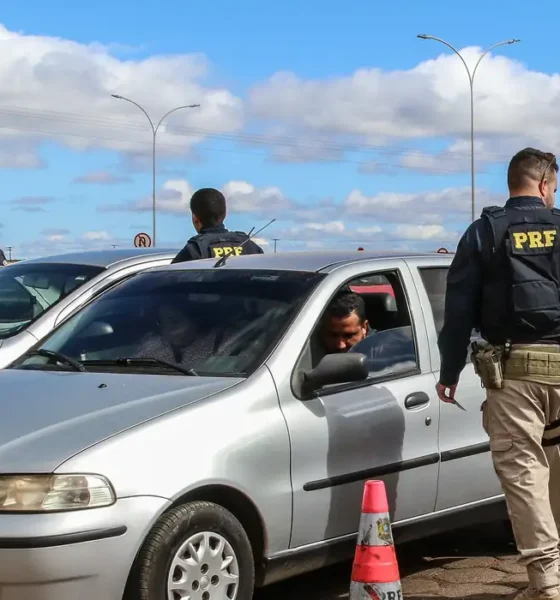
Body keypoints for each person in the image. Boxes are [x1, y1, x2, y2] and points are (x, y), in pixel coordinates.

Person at [437, 147, 560, 600]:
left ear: (513, 183)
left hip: (515, 373)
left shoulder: (484, 232)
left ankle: (548, 583)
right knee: (556, 468)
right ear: (546, 184)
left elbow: (458, 311)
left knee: (525, 470)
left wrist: (449, 370)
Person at [172, 187, 264, 263]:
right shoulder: (250, 247)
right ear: (225, 214)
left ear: (195, 218)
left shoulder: (194, 249)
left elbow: (171, 279)